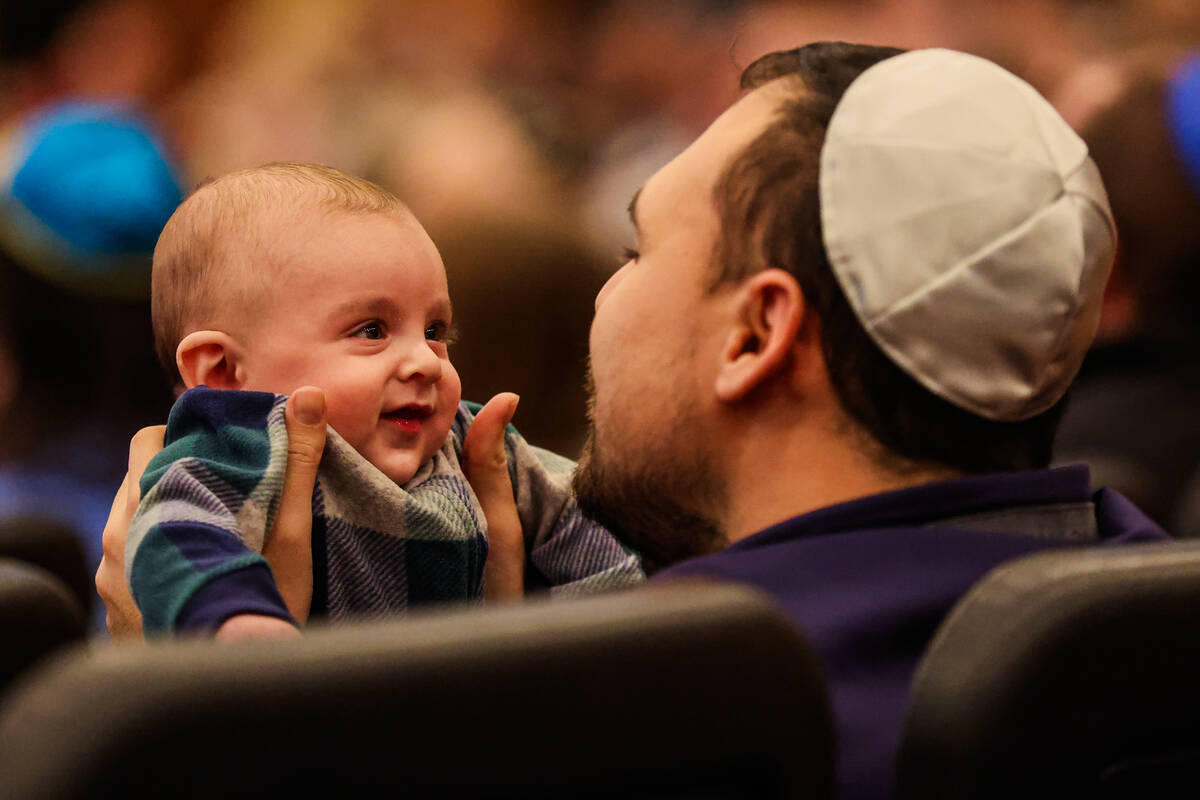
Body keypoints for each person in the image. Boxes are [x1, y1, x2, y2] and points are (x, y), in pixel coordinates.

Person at [98, 43, 1170, 797]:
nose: (605, 298)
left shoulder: (673, 714)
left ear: (756, 333)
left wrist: (227, 733)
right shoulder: (1152, 604)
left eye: (637, 250)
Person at [120, 162, 642, 639]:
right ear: (225, 371)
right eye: (371, 330)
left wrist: (606, 627)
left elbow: (587, 527)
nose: (426, 361)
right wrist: (237, 620)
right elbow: (177, 532)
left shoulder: (470, 444)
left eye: (436, 329)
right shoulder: (238, 452)